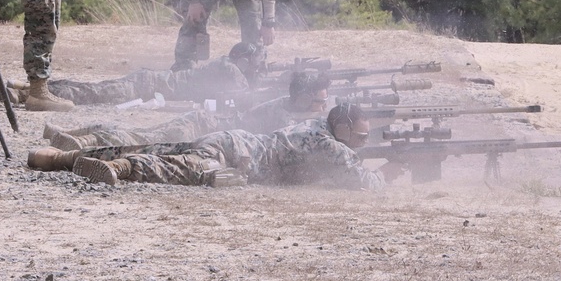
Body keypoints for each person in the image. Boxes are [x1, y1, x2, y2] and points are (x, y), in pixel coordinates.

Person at [28, 102, 384, 190]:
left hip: (232, 141)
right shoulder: (328, 143)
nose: (361, 144)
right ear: (342, 127)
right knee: (184, 167)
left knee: (162, 147)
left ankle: (63, 157)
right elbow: (362, 181)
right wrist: (389, 175)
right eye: (360, 137)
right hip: (234, 155)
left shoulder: (316, 127)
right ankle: (122, 168)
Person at [43, 70, 331, 150]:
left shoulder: (287, 107)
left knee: (141, 135)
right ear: (304, 99)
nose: (323, 108)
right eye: (320, 102)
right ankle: (79, 140)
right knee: (141, 139)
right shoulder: (284, 116)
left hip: (206, 126)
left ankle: (75, 136)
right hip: (203, 127)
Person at [5, 41, 265, 107]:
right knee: (96, 93)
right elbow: (246, 95)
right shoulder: (229, 68)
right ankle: (26, 92)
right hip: (147, 86)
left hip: (149, 82)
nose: (254, 67)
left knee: (96, 88)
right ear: (241, 59)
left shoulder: (224, 65)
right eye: (252, 63)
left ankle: (26, 88)